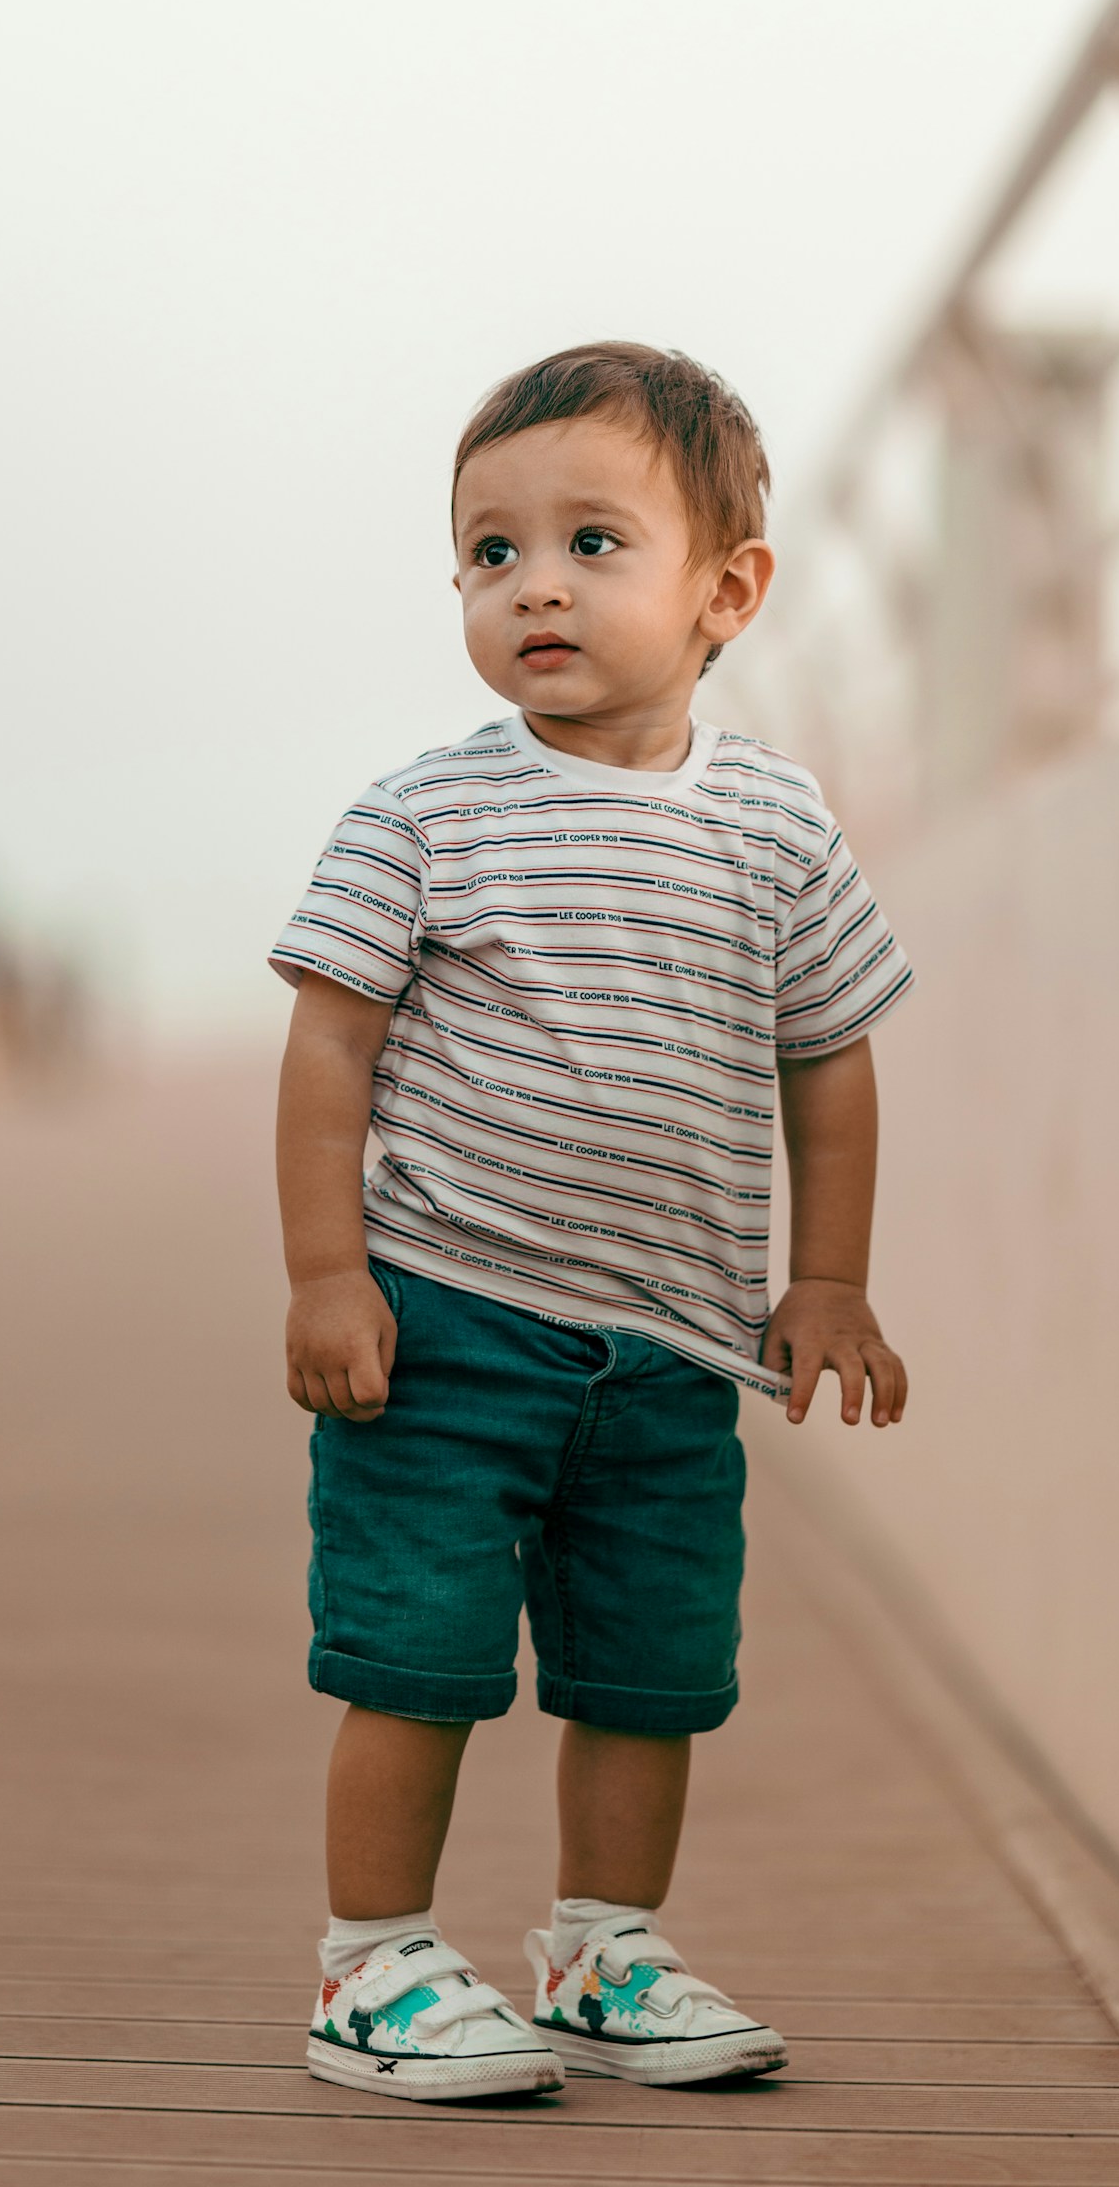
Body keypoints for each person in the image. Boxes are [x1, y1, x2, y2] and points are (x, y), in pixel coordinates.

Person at [270, 341, 913, 2102]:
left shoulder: (774, 823)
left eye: (591, 544)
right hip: (448, 1318)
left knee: (650, 1668)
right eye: (490, 553)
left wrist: (829, 1280)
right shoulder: (428, 812)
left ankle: (601, 1948)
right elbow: (332, 1045)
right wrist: (331, 1271)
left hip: (675, 1344)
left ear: (729, 591)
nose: (533, 583)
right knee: (419, 1650)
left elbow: (831, 1060)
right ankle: (373, 1966)